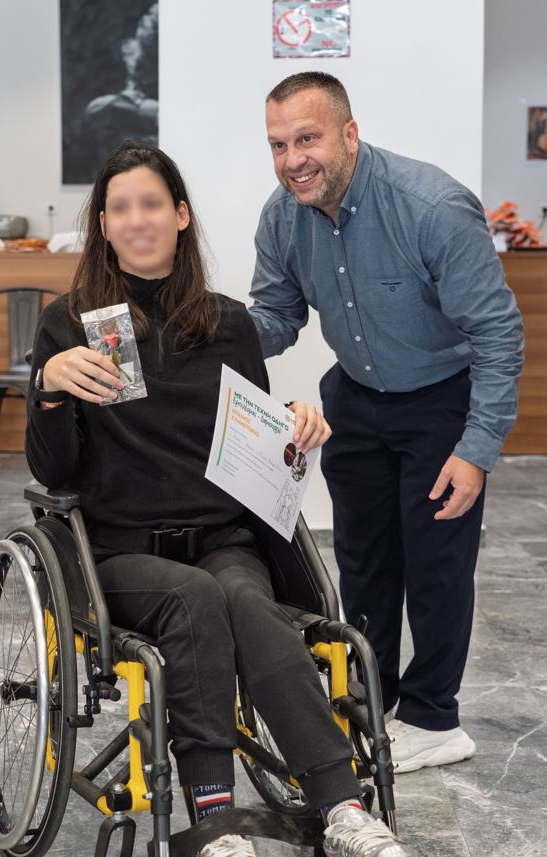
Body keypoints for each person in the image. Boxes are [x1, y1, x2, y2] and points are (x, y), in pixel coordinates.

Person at [26, 142, 419, 857]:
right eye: (120, 208)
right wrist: (48, 387)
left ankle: (342, 807)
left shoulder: (227, 323)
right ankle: (214, 820)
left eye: (152, 203)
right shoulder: (71, 324)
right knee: (196, 598)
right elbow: (56, 471)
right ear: (104, 226)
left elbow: (250, 445)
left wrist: (294, 424)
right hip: (117, 551)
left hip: (220, 539)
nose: (137, 219)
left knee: (245, 599)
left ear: (180, 215)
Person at [249, 72, 524, 774]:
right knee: (364, 564)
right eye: (278, 144)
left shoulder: (430, 207)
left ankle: (434, 719)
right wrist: (201, 334)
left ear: (349, 134)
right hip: (355, 399)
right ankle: (374, 704)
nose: (292, 160)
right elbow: (276, 314)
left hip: (440, 400)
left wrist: (476, 448)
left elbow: (498, 335)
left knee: (435, 565)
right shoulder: (282, 216)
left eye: (306, 138)